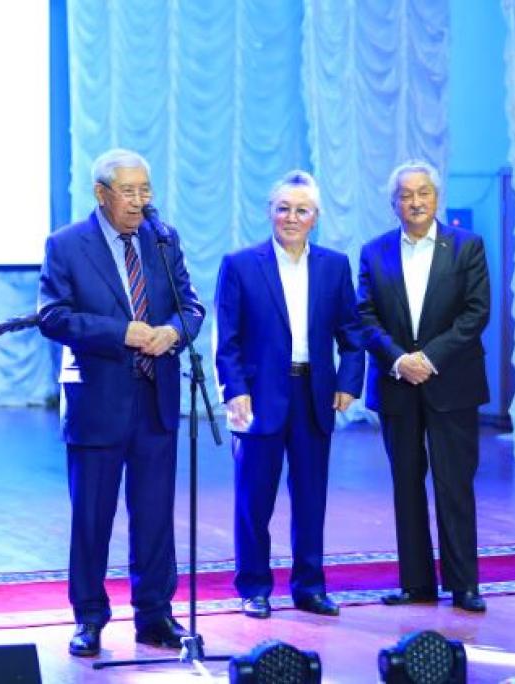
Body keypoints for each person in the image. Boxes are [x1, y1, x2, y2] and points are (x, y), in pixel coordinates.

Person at [37, 148, 205, 656]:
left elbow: (191, 306)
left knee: (154, 517)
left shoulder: (162, 238)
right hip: (98, 401)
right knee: (92, 519)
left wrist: (173, 332)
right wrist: (121, 333)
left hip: (156, 399)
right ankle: (89, 618)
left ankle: (155, 616)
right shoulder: (67, 244)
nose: (138, 201)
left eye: (144, 190)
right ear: (101, 193)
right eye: (128, 191)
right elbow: (52, 316)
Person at [214, 171, 364, 619]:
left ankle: (309, 587)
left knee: (311, 499)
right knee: (253, 499)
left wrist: (348, 382)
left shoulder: (334, 266)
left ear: (315, 217)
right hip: (258, 397)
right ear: (270, 212)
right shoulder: (240, 264)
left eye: (302, 210)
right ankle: (254, 587)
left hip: (314, 395)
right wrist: (234, 390)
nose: (292, 217)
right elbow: (227, 339)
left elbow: (351, 333)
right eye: (284, 208)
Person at [356, 160, 490, 613]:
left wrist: (429, 360)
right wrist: (400, 360)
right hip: (397, 386)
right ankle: (416, 584)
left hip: (452, 383)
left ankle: (464, 584)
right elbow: (365, 317)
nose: (415, 202)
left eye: (423, 193)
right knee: (406, 486)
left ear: (436, 197)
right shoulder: (374, 252)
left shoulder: (467, 247)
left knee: (455, 486)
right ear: (393, 204)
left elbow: (476, 312)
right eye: (406, 195)